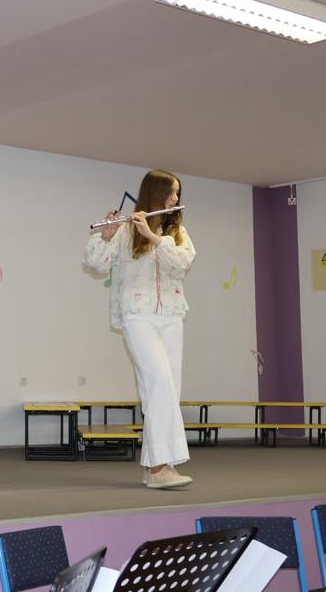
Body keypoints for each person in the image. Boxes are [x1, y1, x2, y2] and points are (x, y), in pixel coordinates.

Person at [83, 170, 196, 489]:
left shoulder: (177, 232)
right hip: (138, 315)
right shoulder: (125, 230)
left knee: (166, 389)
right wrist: (106, 236)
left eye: (177, 193)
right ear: (155, 193)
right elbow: (94, 264)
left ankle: (156, 466)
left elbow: (182, 264)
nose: (175, 199)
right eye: (171, 193)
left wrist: (155, 237)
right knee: (159, 382)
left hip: (171, 316)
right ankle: (160, 467)